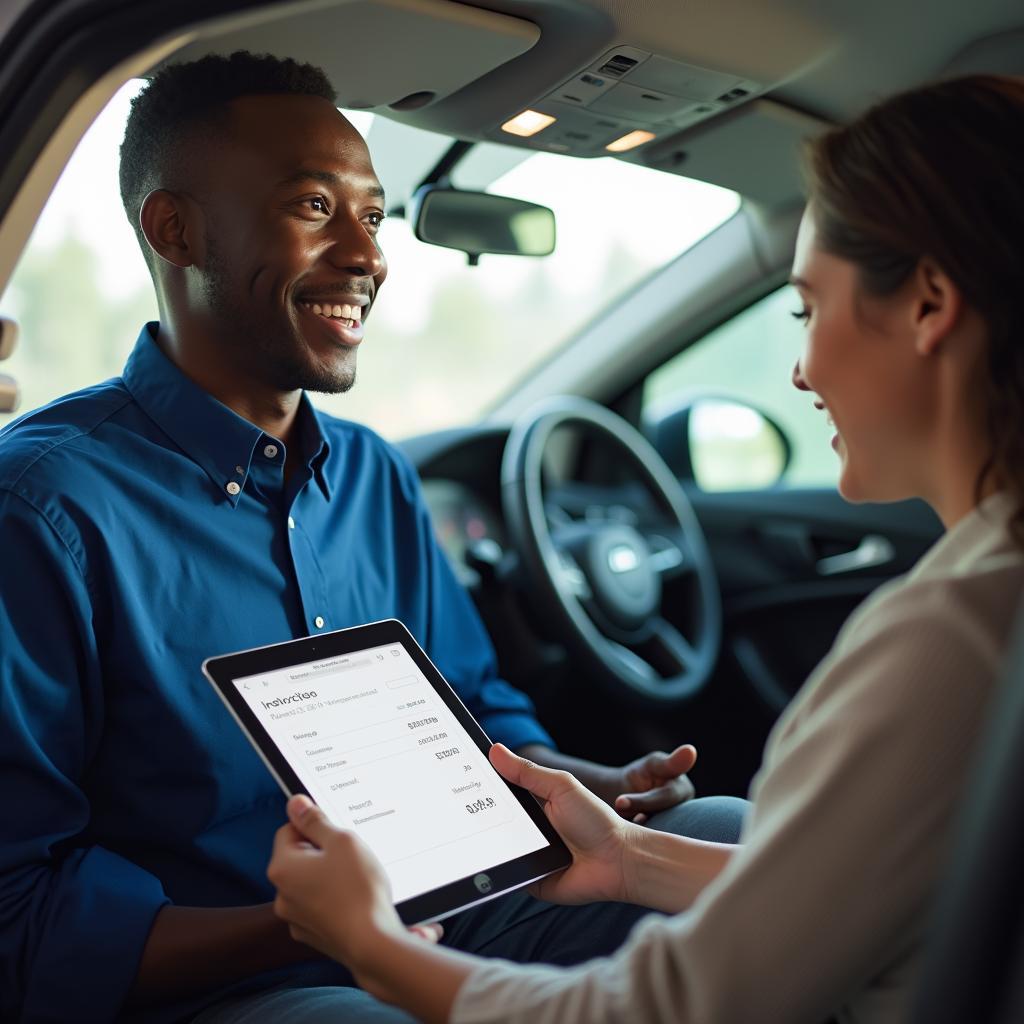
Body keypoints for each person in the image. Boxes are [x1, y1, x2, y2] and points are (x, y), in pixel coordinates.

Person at [0, 51, 750, 1024]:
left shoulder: (375, 475)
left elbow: (470, 707)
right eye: (316, 208)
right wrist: (314, 926)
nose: (368, 253)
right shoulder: (46, 508)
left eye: (374, 213)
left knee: (732, 845)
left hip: (459, 915)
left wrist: (589, 785)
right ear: (174, 228)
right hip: (237, 979)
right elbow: (23, 914)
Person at [267, 73, 1024, 1024]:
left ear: (928, 306)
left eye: (806, 310)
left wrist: (371, 946)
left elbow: (667, 1011)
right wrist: (628, 857)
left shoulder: (952, 638)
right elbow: (901, 885)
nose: (800, 367)